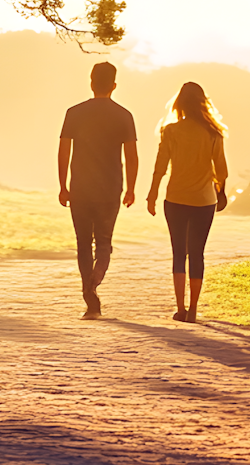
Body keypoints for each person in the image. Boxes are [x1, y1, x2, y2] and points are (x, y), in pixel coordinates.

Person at [58, 61, 137, 319]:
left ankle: (90, 298)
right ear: (114, 86)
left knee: (83, 243)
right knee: (104, 241)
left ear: (91, 83)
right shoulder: (124, 115)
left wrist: (63, 186)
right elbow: (131, 156)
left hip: (80, 188)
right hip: (110, 188)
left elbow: (64, 151)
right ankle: (95, 280)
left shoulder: (74, 112)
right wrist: (131, 188)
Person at [146, 81, 229, 323]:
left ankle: (180, 308)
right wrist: (221, 192)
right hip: (204, 201)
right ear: (203, 103)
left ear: (179, 104)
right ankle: (193, 309)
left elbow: (160, 167)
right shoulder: (214, 133)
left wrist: (152, 195)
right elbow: (221, 170)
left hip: (175, 199)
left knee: (178, 252)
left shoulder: (170, 131)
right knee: (197, 253)